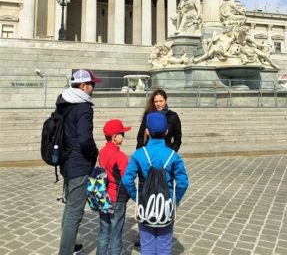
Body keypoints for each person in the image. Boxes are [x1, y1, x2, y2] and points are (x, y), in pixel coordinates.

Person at [122, 112, 189, 255]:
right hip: (166, 205)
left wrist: (137, 197)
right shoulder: (173, 155)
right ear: (166, 132)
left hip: (145, 204)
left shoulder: (139, 154)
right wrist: (174, 200)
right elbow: (183, 183)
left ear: (147, 131)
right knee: (164, 246)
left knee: (146, 246)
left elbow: (127, 179)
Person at [57, 69, 101, 255]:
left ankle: (70, 245)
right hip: (79, 165)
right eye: (92, 85)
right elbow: (85, 139)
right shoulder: (83, 107)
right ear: (83, 86)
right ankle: (66, 252)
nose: (93, 88)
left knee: (69, 209)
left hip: (66, 163)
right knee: (75, 213)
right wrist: (95, 153)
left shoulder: (64, 103)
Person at [96, 119, 131, 255]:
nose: (124, 136)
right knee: (116, 235)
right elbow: (126, 179)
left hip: (103, 197)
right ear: (114, 137)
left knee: (104, 232)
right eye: (122, 133)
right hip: (116, 198)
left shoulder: (102, 152)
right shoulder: (121, 156)